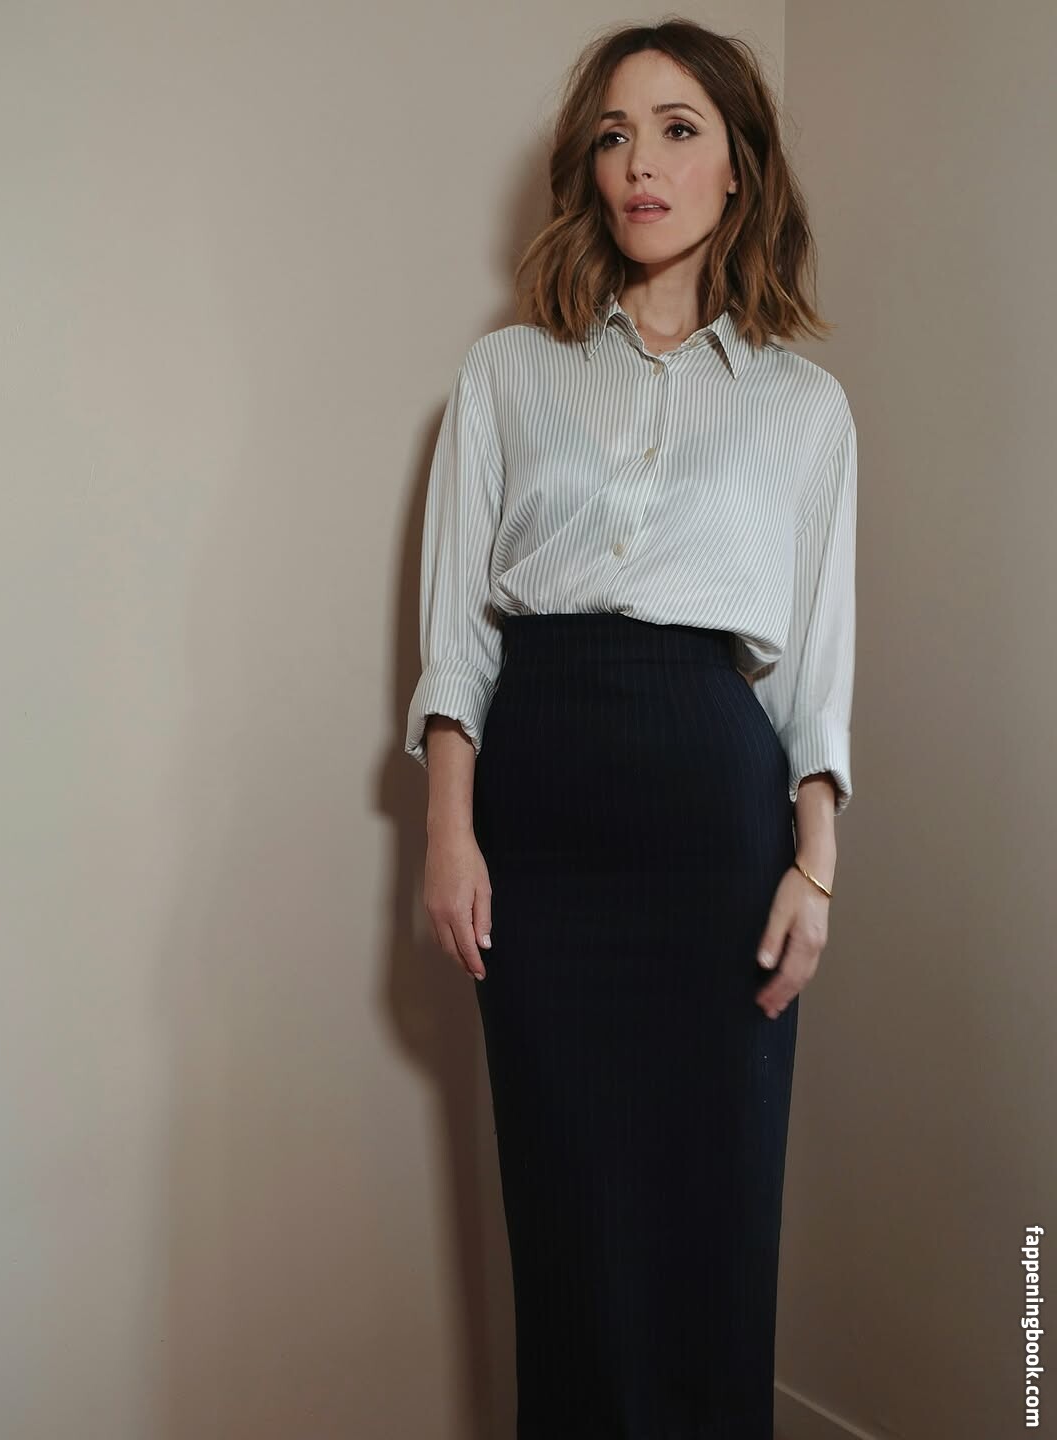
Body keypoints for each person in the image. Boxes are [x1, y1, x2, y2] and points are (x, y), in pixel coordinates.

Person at [404, 19, 856, 1439]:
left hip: (717, 813)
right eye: (614, 134)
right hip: (542, 805)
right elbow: (457, 633)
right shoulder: (506, 374)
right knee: (570, 1223)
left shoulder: (805, 408)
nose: (639, 163)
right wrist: (448, 833)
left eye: (676, 129)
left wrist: (816, 866)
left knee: (717, 1215)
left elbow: (817, 658)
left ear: (738, 168)